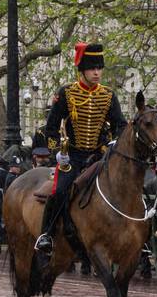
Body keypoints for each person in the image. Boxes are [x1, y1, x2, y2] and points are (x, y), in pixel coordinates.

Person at [34, 42, 126, 255]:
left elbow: (120, 124)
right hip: (72, 156)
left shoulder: (109, 95)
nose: (97, 72)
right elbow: (51, 127)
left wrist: (115, 142)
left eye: (99, 68)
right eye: (92, 68)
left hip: (99, 156)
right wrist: (58, 151)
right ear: (82, 70)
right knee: (59, 190)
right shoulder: (66, 93)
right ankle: (46, 234)